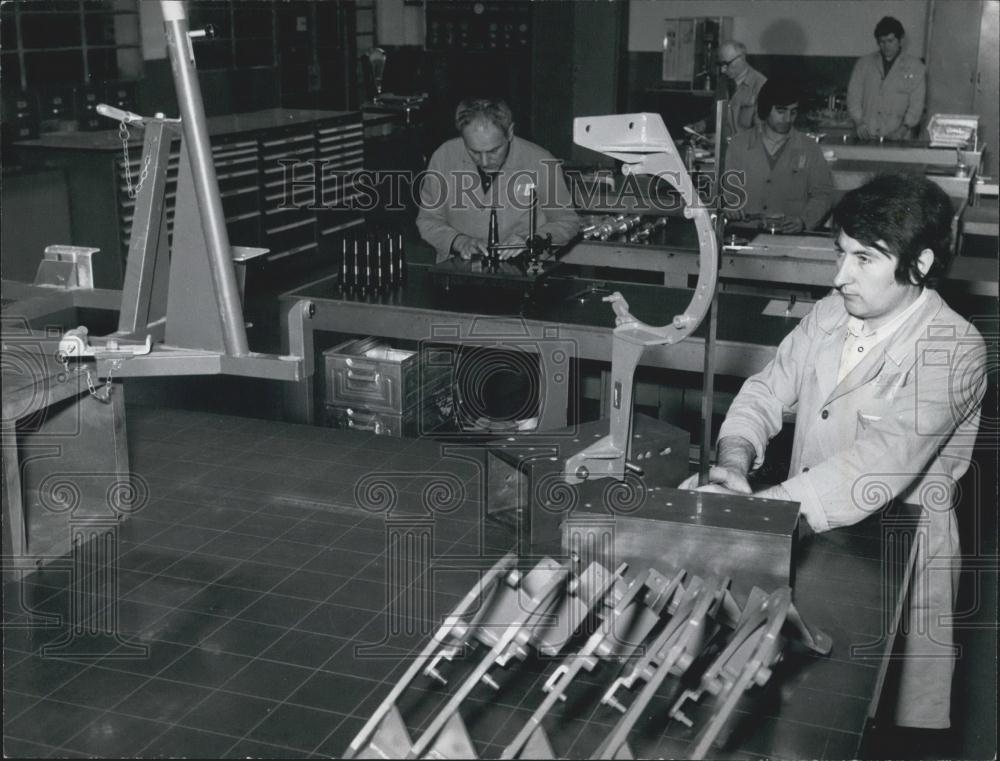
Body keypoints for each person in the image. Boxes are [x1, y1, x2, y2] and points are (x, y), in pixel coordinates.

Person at [682, 173, 987, 731]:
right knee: (795, 707)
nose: (838, 276)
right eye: (840, 253)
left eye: (864, 259)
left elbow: (878, 464)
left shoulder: (955, 349)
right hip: (807, 535)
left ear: (919, 265)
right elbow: (764, 392)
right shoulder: (831, 314)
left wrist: (759, 512)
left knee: (868, 718)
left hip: (891, 559)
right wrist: (732, 464)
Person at [417, 98, 580, 263]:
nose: (484, 161)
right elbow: (428, 220)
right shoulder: (444, 156)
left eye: (493, 151)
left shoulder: (541, 162)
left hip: (526, 273)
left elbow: (567, 222)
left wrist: (531, 240)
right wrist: (458, 241)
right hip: (459, 273)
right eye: (473, 151)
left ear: (510, 132)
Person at [723, 78, 835, 233]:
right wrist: (729, 206)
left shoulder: (809, 148)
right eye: (781, 111)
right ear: (764, 109)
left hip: (789, 235)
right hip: (744, 232)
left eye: (793, 112)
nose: (788, 118)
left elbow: (823, 194)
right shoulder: (738, 145)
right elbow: (726, 192)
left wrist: (804, 221)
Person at [847, 16, 926, 140]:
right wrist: (859, 122)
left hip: (899, 136)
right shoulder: (864, 64)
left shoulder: (916, 67)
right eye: (882, 42)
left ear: (900, 40)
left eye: (890, 41)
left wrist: (904, 128)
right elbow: (853, 97)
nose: (886, 46)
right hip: (866, 134)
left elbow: (917, 104)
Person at [687, 41, 767, 139]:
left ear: (741, 58)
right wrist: (701, 125)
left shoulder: (761, 85)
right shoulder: (722, 82)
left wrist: (728, 141)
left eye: (726, 64)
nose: (723, 70)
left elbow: (762, 133)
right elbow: (716, 118)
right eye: (720, 64)